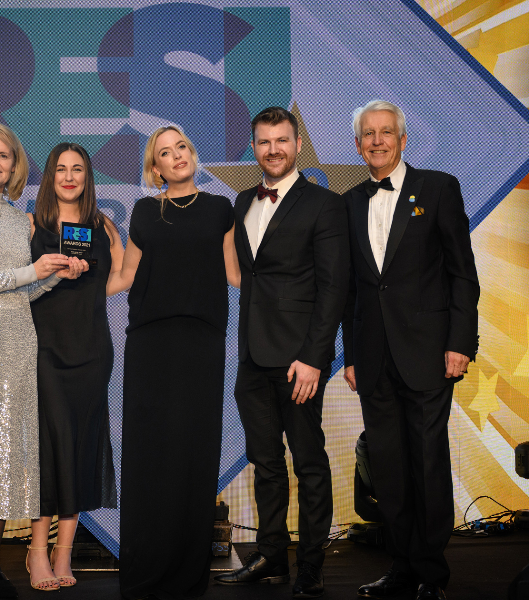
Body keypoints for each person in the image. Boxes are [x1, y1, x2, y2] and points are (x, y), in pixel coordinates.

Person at [0, 142, 123, 592]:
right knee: (37, 450)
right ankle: (17, 555)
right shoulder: (29, 223)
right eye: (61, 168)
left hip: (88, 347)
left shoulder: (101, 225)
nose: (70, 176)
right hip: (34, 346)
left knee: (75, 447)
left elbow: (115, 275)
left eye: (78, 169)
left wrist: (71, 279)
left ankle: (48, 554)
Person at [341, 101, 479, 600]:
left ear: (402, 139)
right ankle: (401, 567)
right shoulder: (350, 201)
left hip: (428, 353)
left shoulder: (439, 187)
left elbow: (462, 271)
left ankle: (431, 574)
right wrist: (350, 355)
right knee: (389, 470)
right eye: (368, 135)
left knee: (426, 462)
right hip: (373, 358)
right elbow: (352, 289)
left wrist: (460, 343)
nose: (377, 141)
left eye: (385, 133)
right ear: (357, 145)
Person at [213, 106, 348, 599]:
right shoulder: (243, 199)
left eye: (282, 141)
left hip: (298, 361)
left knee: (308, 463)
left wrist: (316, 357)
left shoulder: (323, 204)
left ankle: (310, 568)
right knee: (264, 463)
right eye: (265, 142)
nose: (273, 149)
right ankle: (271, 555)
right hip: (252, 357)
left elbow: (333, 288)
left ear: (296, 145)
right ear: (254, 147)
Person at [109, 125, 240, 600]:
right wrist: (73, 285)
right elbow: (125, 277)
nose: (176, 156)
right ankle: (144, 570)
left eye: (181, 146)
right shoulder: (144, 212)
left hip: (201, 346)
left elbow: (233, 273)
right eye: (165, 152)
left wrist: (293, 278)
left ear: (192, 152)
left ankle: (187, 577)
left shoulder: (221, 208)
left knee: (192, 454)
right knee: (148, 457)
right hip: (149, 346)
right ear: (155, 167)